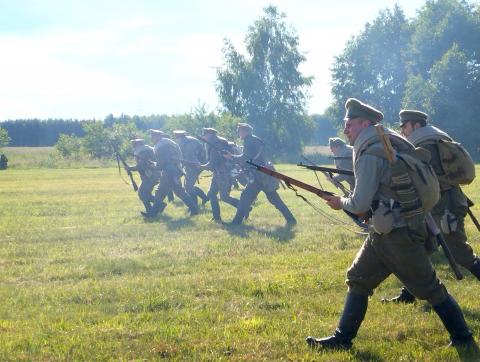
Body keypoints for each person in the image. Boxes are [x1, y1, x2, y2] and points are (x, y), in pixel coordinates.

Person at [306, 98, 475, 351]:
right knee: (358, 278)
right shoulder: (387, 142)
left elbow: (360, 202)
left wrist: (339, 202)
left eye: (349, 124)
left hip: (397, 235)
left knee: (431, 288)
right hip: (385, 230)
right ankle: (342, 339)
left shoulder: (370, 152)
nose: (345, 130)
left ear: (365, 123)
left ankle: (463, 338)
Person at [383, 110, 480, 304]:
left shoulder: (424, 144)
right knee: (419, 250)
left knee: (461, 253)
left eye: (405, 126)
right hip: (439, 205)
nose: (402, 130)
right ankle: (408, 294)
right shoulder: (435, 137)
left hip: (444, 207)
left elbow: (420, 177)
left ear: (416, 126)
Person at [224, 123, 296, 226]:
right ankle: (291, 219)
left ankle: (236, 223)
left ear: (245, 131)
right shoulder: (255, 140)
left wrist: (231, 157)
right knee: (273, 199)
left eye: (239, 131)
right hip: (263, 174)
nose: (238, 133)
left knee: (245, 198)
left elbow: (245, 157)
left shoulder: (249, 141)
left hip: (258, 175)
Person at [143, 129, 198, 218]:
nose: (151, 138)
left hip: (168, 172)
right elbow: (167, 160)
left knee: (159, 192)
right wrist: (155, 163)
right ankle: (194, 209)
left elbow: (162, 164)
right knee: (179, 191)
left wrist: (153, 166)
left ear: (159, 136)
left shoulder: (161, 146)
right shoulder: (167, 143)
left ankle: (152, 214)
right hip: (175, 169)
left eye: (153, 136)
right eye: (151, 136)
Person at [200, 128, 239, 222]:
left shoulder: (214, 144)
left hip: (222, 173)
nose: (203, 136)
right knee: (211, 194)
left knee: (224, 197)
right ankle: (216, 217)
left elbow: (212, 163)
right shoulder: (220, 141)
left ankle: (244, 207)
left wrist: (200, 167)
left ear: (209, 134)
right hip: (221, 172)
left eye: (204, 134)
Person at [173, 130, 209, 208]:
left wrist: (180, 168)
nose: (176, 139)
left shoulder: (187, 143)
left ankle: (194, 205)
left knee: (188, 186)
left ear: (179, 137)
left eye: (176, 137)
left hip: (194, 165)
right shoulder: (187, 140)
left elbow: (190, 158)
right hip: (196, 164)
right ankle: (204, 197)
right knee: (189, 185)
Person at [128, 139, 158, 215]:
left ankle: (154, 208)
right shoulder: (146, 149)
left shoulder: (142, 151)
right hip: (151, 175)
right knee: (145, 194)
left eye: (134, 144)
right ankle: (154, 208)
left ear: (137, 144)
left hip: (150, 176)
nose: (133, 146)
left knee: (142, 193)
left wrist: (130, 168)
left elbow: (142, 165)